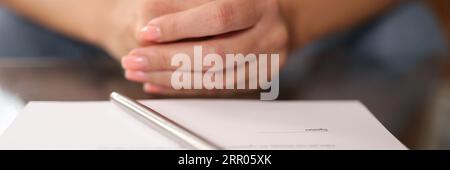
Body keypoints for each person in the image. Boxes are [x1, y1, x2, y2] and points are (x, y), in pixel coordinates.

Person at [1, 0, 408, 96]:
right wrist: (111, 18)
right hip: (66, 26)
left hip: (333, 29)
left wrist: (291, 17)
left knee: (408, 38)